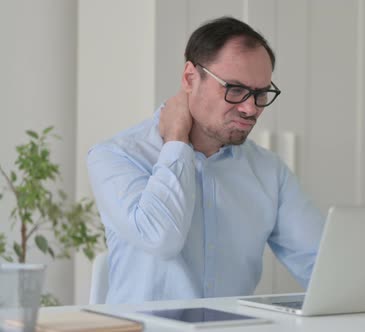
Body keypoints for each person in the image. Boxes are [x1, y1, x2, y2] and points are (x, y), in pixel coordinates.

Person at [87, 17, 325, 304]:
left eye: (261, 94)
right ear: (190, 78)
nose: (250, 108)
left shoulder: (269, 171)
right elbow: (160, 240)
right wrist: (177, 140)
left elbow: (323, 268)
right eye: (235, 89)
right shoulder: (116, 156)